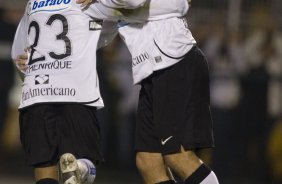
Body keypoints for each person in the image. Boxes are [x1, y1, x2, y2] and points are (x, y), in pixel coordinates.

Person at [12, 0, 190, 184]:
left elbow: (17, 53)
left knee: (44, 167)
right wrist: (181, 4)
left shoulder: (33, 3)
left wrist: (28, 69)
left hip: (35, 95)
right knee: (86, 166)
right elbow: (132, 4)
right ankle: (81, 168)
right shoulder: (85, 3)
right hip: (76, 93)